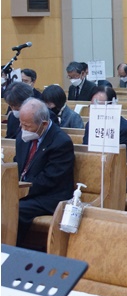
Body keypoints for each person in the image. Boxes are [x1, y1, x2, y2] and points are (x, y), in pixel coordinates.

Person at [14, 98, 75, 244]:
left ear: (44, 124)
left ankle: (12, 248)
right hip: (24, 190)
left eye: (27, 126)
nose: (23, 129)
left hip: (49, 196)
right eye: (21, 124)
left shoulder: (61, 142)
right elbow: (17, 166)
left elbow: (49, 179)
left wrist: (20, 190)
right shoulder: (23, 136)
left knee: (14, 208)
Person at [83, 85, 127, 193]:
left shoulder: (126, 129)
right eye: (93, 106)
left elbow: (122, 161)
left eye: (100, 106)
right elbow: (85, 151)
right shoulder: (91, 124)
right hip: (92, 171)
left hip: (116, 177)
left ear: (112, 106)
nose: (95, 110)